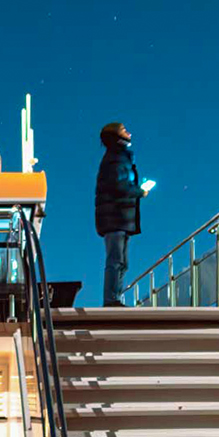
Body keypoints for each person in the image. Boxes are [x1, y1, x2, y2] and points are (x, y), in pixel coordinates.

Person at [94, 122, 145, 306]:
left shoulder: (118, 156)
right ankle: (111, 299)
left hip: (119, 218)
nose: (129, 132)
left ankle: (114, 298)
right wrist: (139, 191)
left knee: (121, 261)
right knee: (116, 260)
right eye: (124, 130)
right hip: (115, 218)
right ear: (117, 135)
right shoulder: (116, 157)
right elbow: (118, 185)